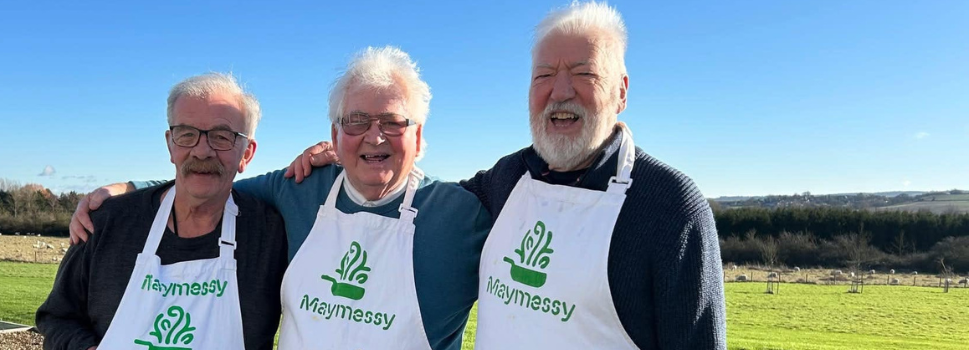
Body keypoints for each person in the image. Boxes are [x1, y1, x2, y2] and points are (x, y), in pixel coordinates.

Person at [284, 2, 727, 349]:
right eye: (544, 75)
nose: (561, 91)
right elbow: (415, 196)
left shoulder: (670, 206)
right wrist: (350, 153)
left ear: (621, 91)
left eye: (584, 73)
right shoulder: (506, 178)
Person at [70, 47, 492, 350]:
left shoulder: (462, 214)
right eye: (356, 121)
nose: (374, 135)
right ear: (335, 136)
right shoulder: (298, 188)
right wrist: (126, 190)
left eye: (393, 122)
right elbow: (209, 179)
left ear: (418, 137)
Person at [36, 73, 289, 350]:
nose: (202, 151)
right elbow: (57, 318)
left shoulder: (271, 235)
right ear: (171, 144)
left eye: (222, 136)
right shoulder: (107, 221)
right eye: (187, 134)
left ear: (247, 153)